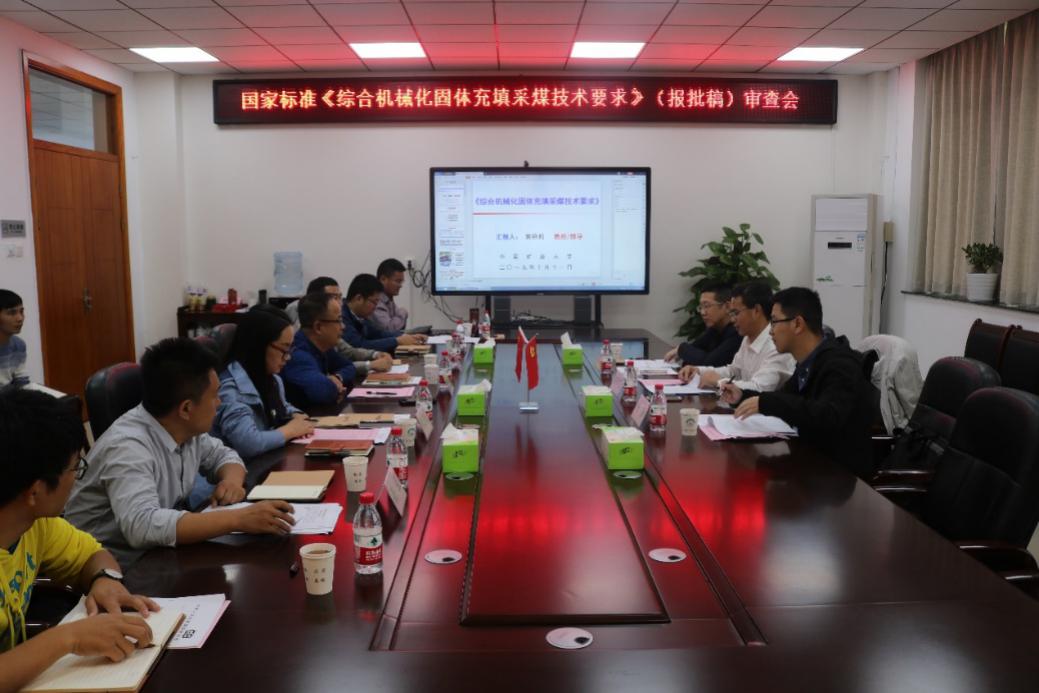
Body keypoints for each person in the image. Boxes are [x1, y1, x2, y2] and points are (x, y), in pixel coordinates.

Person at [65, 338, 295, 566]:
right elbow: (142, 526)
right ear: (186, 408)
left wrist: (231, 482)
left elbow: (224, 456)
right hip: (109, 568)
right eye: (214, 395)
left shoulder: (184, 427)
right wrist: (238, 519)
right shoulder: (127, 446)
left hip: (158, 555)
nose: (219, 402)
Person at [0, 389, 160, 691]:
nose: (77, 477)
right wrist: (69, 638)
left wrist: (105, 579)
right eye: (75, 467)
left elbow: (93, 555)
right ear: (35, 491)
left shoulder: (35, 524)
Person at [719, 287, 878, 480]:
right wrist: (742, 395)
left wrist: (766, 403)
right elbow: (786, 398)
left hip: (839, 477)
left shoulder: (839, 364)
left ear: (797, 324)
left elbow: (828, 415)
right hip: (810, 464)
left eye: (774, 322)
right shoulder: (808, 362)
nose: (770, 331)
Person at [211, 306, 315, 459]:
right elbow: (248, 444)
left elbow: (283, 407)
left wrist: (296, 415)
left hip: (266, 461)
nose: (288, 357)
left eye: (290, 350)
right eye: (283, 350)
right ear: (259, 346)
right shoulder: (231, 390)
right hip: (240, 469)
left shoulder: (272, 379)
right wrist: (290, 430)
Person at [679, 281, 794, 392]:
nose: (732, 319)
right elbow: (734, 371)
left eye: (736, 313)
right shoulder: (748, 337)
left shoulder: (776, 344)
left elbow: (760, 387)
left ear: (756, 311)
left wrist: (719, 382)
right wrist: (699, 371)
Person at [288, 277, 392, 376]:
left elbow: (348, 358)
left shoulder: (327, 342)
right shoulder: (299, 348)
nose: (339, 302)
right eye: (333, 297)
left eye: (339, 297)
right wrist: (370, 365)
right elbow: (321, 383)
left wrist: (374, 355)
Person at [281, 292, 357, 410]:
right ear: (318, 327)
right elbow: (323, 392)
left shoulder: (322, 346)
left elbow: (350, 367)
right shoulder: (297, 354)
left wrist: (337, 377)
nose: (343, 326)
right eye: (338, 320)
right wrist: (329, 382)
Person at [342, 274, 426, 354]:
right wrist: (397, 341)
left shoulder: (360, 317)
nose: (375, 307)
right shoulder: (342, 317)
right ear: (359, 298)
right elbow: (359, 345)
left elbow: (378, 334)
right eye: (374, 302)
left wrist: (405, 336)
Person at [665, 281, 741, 367]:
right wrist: (684, 351)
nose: (702, 312)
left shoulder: (737, 332)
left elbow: (709, 363)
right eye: (701, 307)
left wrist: (681, 348)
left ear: (727, 306)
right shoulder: (714, 329)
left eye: (707, 306)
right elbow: (690, 356)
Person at [371, 258, 408, 333]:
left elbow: (398, 326)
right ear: (383, 279)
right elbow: (390, 330)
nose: (400, 285)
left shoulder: (388, 298)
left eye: (401, 282)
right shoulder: (376, 301)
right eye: (398, 281)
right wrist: (403, 312)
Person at [0, 290, 28, 388]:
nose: (20, 318)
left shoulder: (19, 345)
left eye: (21, 311)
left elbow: (22, 382)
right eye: (12, 313)